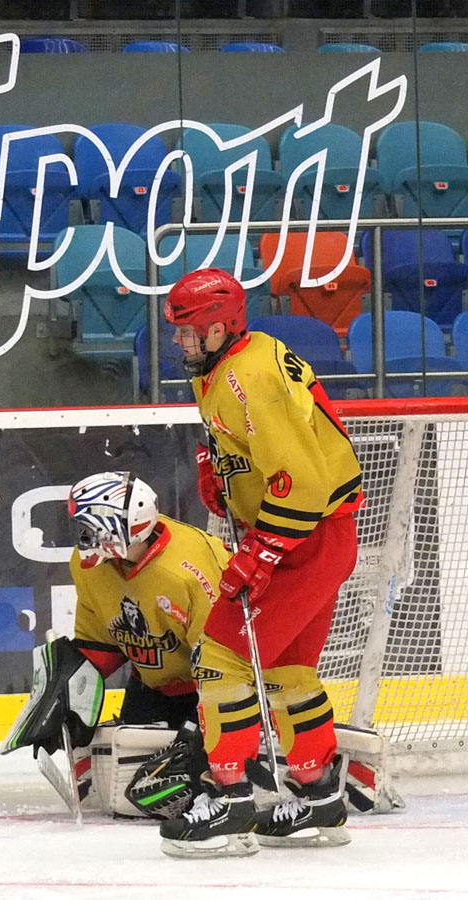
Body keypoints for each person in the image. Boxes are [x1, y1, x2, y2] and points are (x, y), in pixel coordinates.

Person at [159, 267, 364, 857]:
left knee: (221, 658)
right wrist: (218, 464)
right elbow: (248, 440)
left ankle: (228, 798)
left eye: (188, 331)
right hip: (319, 538)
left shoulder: (248, 376)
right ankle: (318, 794)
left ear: (219, 327)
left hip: (304, 538)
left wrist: (261, 550)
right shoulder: (229, 362)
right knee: (286, 672)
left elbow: (303, 482)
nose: (180, 341)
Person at [2, 471, 231, 818]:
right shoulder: (89, 566)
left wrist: (201, 729)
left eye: (90, 526)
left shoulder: (189, 572)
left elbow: (227, 664)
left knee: (189, 785)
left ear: (121, 528)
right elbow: (100, 644)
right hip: (152, 683)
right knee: (131, 794)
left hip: (214, 687)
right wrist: (65, 695)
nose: (83, 536)